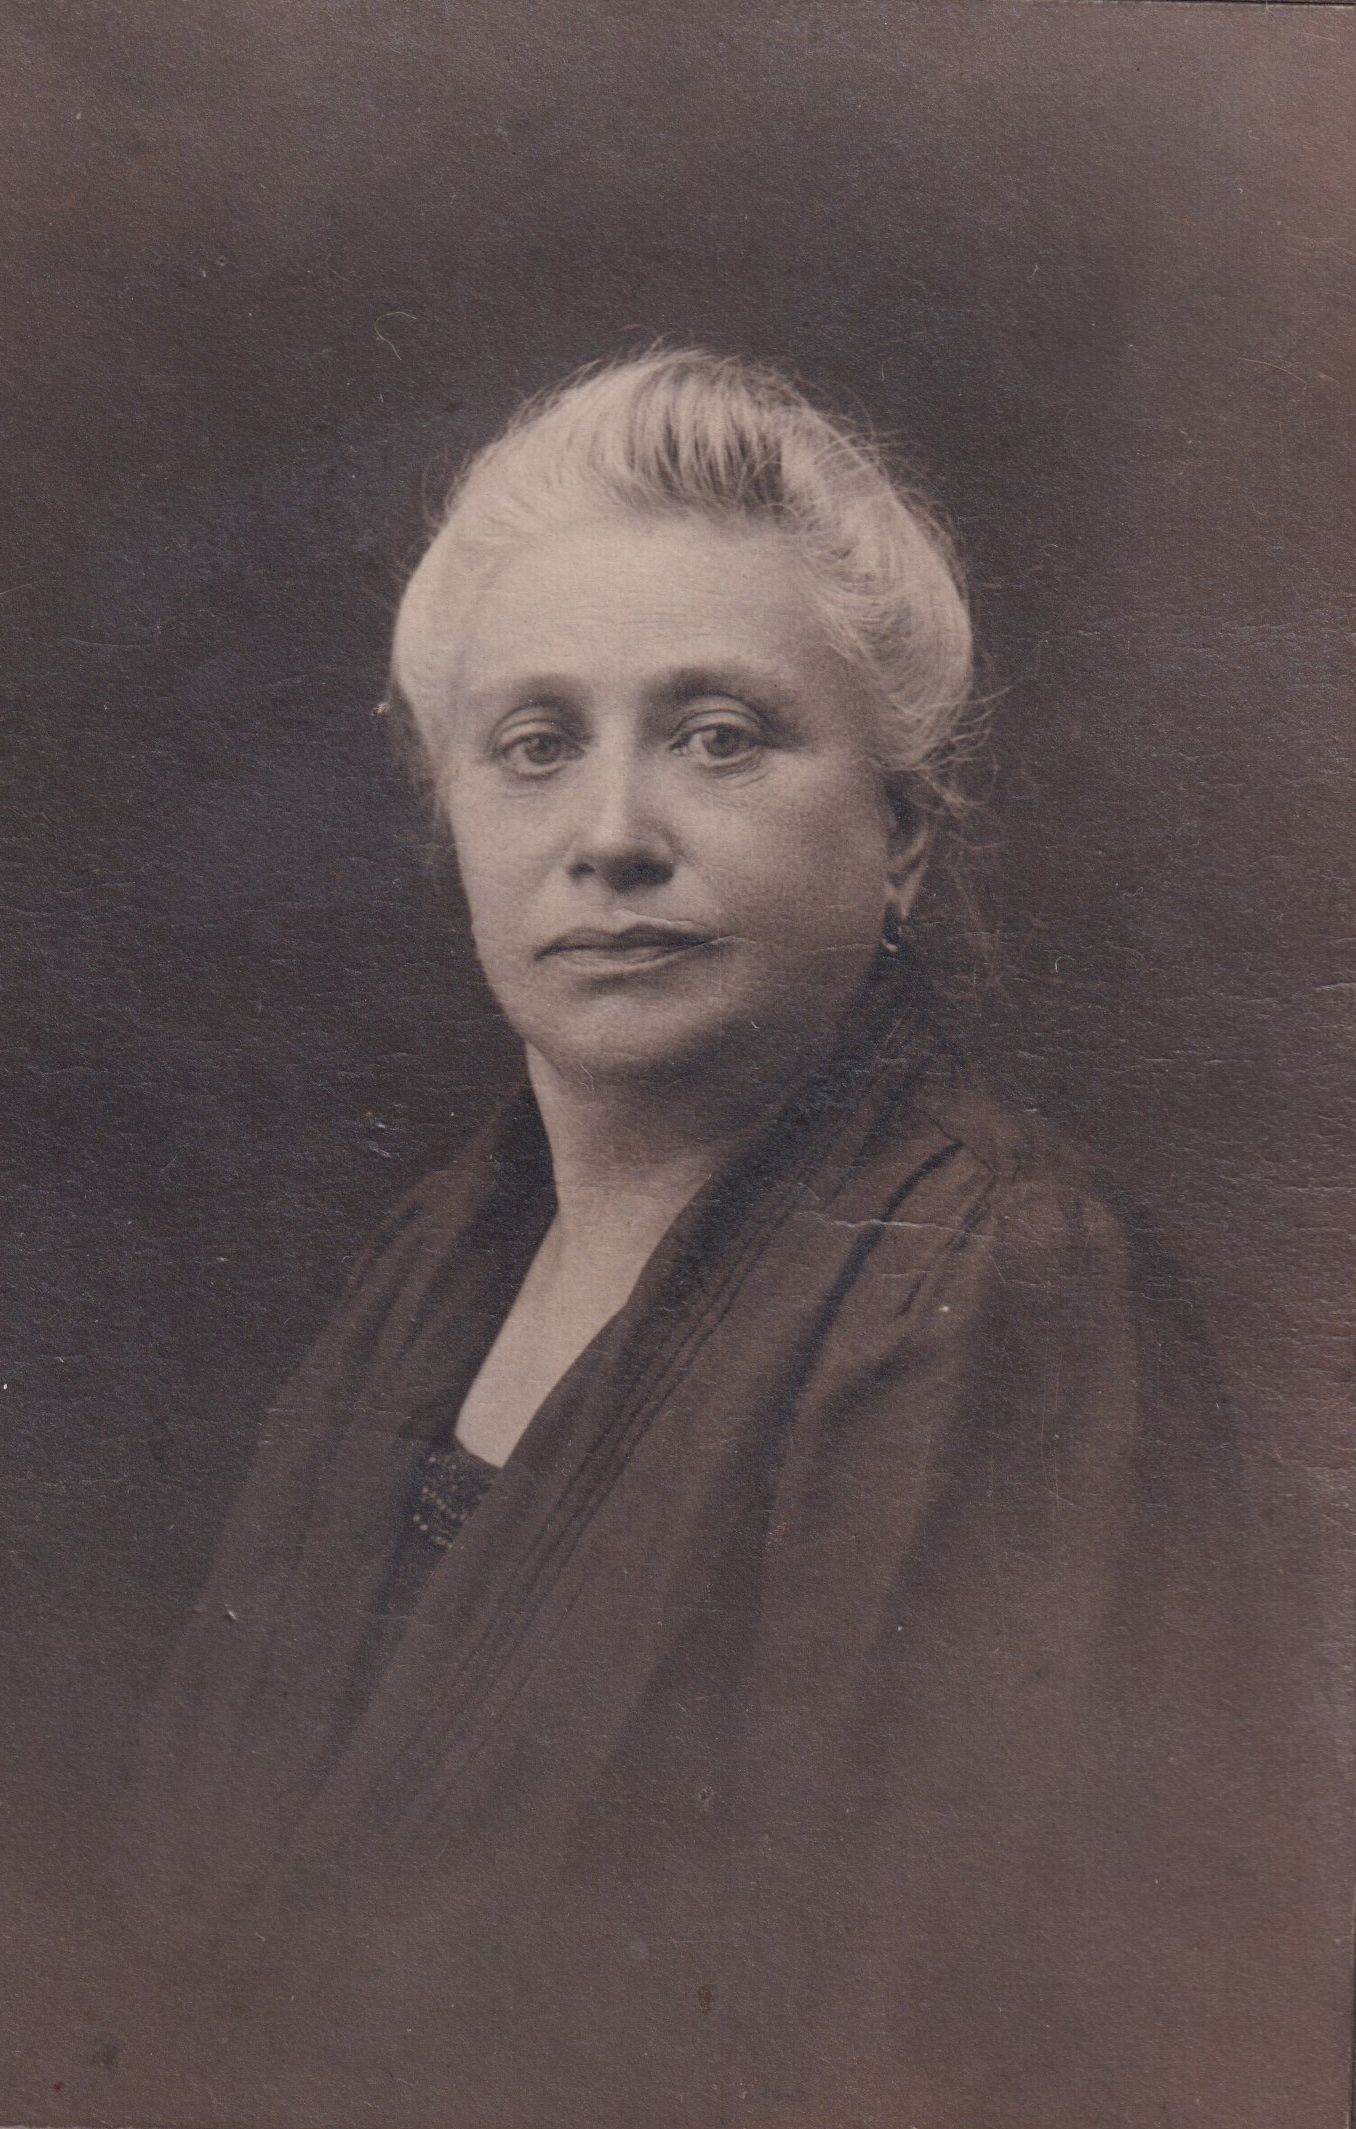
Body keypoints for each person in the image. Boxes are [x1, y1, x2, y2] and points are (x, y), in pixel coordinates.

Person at [78, 350, 1335, 2125]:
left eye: (719, 736)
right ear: (452, 817)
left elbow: (939, 2046)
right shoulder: (429, 1265)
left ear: (900, 834)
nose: (611, 836)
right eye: (535, 747)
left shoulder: (990, 1285)